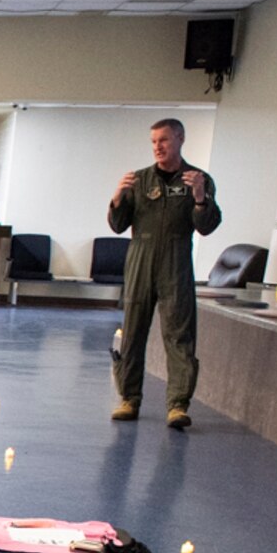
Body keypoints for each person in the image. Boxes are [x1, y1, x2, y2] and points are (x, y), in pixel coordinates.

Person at [108, 117, 221, 430]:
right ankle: (129, 398)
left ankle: (177, 405)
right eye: (154, 142)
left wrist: (199, 197)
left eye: (164, 140)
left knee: (179, 335)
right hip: (140, 259)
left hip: (176, 261)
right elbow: (118, 225)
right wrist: (117, 198)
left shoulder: (198, 179)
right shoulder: (139, 180)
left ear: (180, 139)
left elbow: (207, 226)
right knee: (132, 333)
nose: (158, 147)